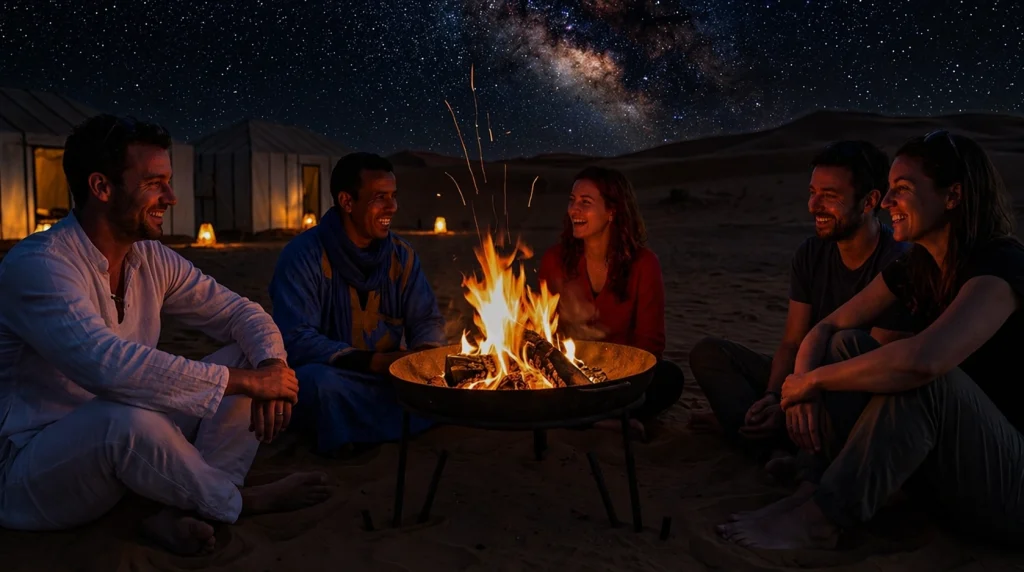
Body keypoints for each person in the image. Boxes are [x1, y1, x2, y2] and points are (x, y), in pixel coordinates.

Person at [0, 115, 330, 556]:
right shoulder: (40, 265)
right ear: (101, 187)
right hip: (35, 469)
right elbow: (107, 366)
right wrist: (248, 382)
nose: (171, 197)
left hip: (131, 438)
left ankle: (188, 505)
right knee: (125, 420)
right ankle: (234, 501)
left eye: (169, 182)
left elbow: (239, 312)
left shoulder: (149, 258)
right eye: (155, 183)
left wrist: (270, 365)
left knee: (249, 357)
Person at [720, 131, 1024, 549]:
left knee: (922, 377)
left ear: (953, 196)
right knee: (847, 344)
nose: (885, 203)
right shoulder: (917, 267)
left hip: (1008, 483)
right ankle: (814, 488)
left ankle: (822, 518)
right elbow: (824, 329)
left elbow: (924, 361)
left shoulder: (1001, 265)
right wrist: (806, 381)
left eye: (902, 189)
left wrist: (814, 382)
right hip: (949, 470)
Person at [688, 141, 913, 472]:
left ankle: (774, 447)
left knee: (844, 367)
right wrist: (772, 397)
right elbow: (793, 341)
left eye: (830, 196)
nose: (813, 205)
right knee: (709, 354)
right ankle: (771, 439)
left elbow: (871, 364)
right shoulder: (811, 253)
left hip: (852, 388)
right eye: (812, 192)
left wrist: (798, 395)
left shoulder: (897, 262)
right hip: (803, 376)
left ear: (870, 201)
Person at [269, 152, 446, 457]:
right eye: (380, 197)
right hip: (336, 375)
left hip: (391, 375)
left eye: (393, 196)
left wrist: (426, 354)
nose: (393, 207)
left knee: (440, 382)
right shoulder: (304, 256)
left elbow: (426, 318)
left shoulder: (401, 257)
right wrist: (372, 361)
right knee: (317, 385)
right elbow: (295, 338)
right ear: (347, 202)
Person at [537, 166, 685, 437]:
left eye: (586, 202)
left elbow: (650, 343)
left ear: (612, 211)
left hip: (622, 375)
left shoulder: (643, 264)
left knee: (669, 378)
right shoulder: (555, 260)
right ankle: (601, 420)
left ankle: (585, 418)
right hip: (568, 374)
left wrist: (618, 373)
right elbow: (542, 329)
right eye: (572, 200)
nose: (574, 210)